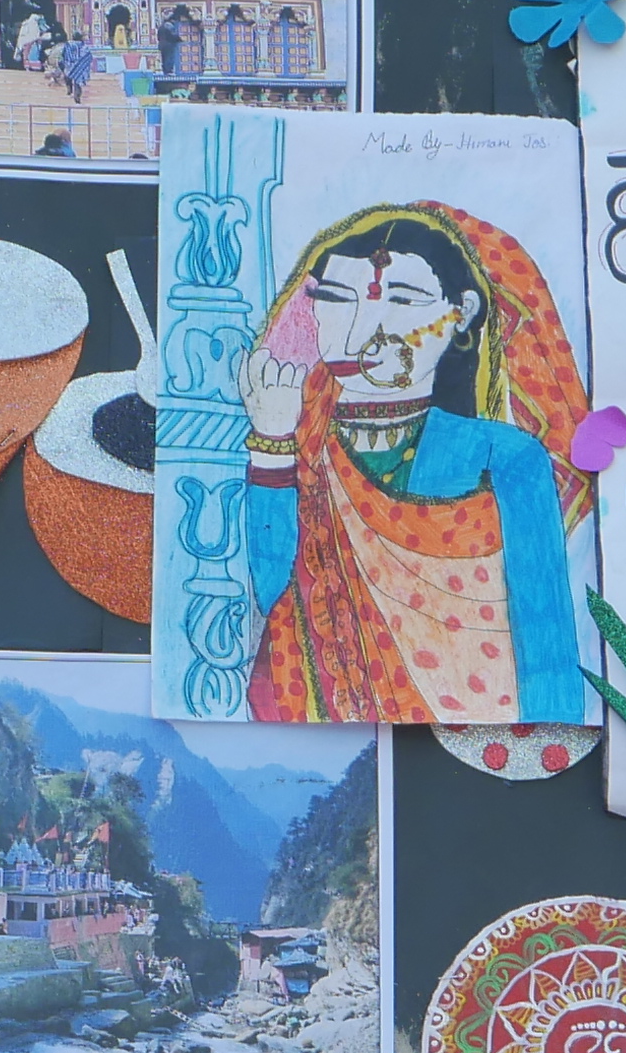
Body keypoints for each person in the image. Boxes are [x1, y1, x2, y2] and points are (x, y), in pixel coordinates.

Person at [236, 206, 592, 723]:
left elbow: (546, 637)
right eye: (336, 299)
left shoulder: (502, 456)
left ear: (462, 312)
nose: (361, 329)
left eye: (402, 300)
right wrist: (272, 443)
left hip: (485, 734)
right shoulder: (305, 446)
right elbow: (275, 596)